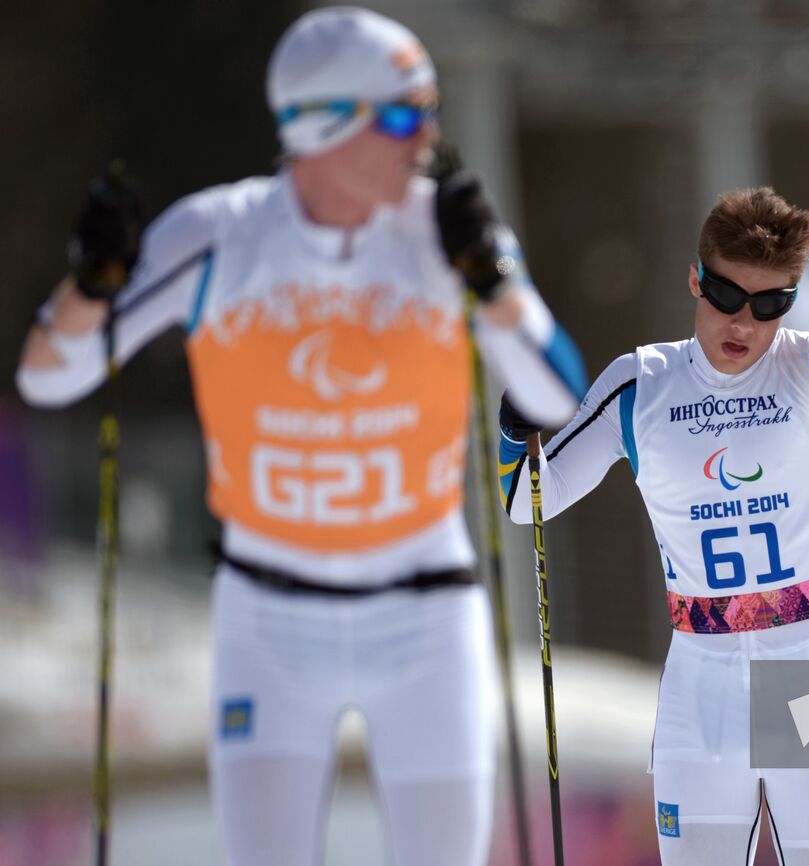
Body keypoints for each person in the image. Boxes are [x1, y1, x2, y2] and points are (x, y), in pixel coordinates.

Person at [15, 8, 586, 865]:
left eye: (428, 109)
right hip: (269, 624)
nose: (425, 134)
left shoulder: (446, 229)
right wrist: (90, 285)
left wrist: (492, 282)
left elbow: (557, 394)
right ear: (322, 124)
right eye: (401, 114)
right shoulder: (222, 233)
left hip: (425, 614)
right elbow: (49, 374)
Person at [495, 187, 809, 865]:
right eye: (726, 295)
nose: (743, 321)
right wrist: (515, 422)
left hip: (808, 670)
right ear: (695, 278)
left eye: (770, 304)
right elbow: (531, 499)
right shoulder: (641, 383)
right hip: (701, 678)